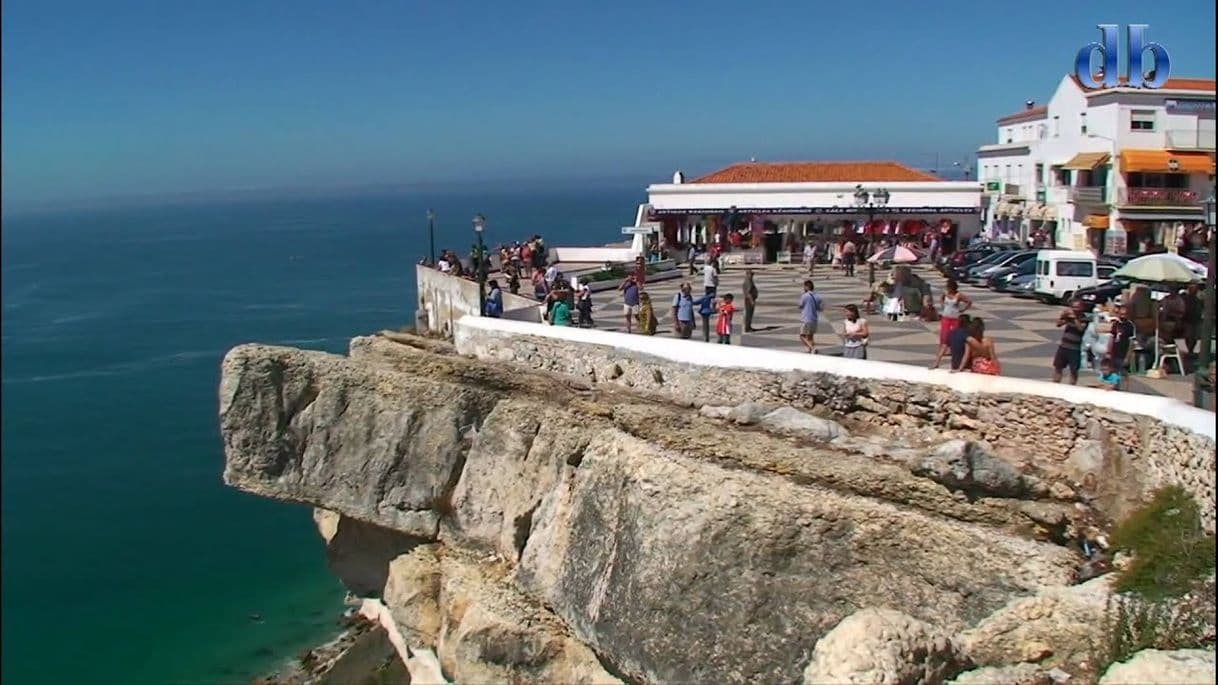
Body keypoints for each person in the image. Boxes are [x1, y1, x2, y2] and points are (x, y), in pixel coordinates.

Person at [931, 279, 972, 369]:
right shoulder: (945, 293)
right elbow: (941, 299)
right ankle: (942, 352)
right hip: (946, 317)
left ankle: (952, 350)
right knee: (944, 335)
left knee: (953, 335)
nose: (948, 289)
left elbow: (969, 301)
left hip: (955, 318)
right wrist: (943, 306)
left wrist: (963, 309)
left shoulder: (958, 295)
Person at [1052, 300, 1087, 384]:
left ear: (1082, 308)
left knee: (1074, 370)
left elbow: (1081, 329)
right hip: (1063, 346)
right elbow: (1058, 324)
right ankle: (1055, 383)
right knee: (1058, 367)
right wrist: (1063, 316)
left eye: (1077, 307)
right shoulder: (1068, 317)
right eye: (1073, 307)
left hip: (1074, 348)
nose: (1075, 309)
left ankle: (1071, 386)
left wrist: (1074, 318)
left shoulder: (1084, 318)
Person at [1108, 305, 1136, 375]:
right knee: (1113, 374)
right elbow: (1111, 338)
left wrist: (1127, 357)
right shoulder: (1115, 324)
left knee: (1122, 374)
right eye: (1121, 314)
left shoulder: (1130, 325)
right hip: (1114, 353)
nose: (1122, 316)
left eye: (1124, 314)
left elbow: (1131, 342)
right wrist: (1108, 352)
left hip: (1123, 353)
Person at [798, 280, 824, 353]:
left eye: (804, 286)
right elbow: (819, 308)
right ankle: (810, 351)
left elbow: (800, 305)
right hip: (814, 319)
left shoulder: (805, 296)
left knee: (802, 336)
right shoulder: (818, 296)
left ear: (807, 287)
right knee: (810, 337)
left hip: (806, 318)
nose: (803, 288)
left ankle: (812, 348)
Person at [1182, 283, 1203, 358]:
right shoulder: (1185, 299)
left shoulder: (1198, 299)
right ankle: (1187, 352)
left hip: (1196, 320)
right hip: (1188, 320)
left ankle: (1193, 353)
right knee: (1188, 337)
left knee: (1196, 338)